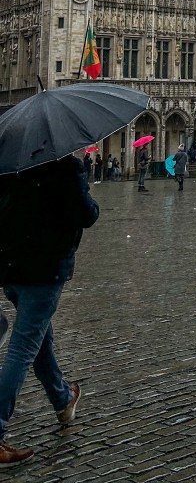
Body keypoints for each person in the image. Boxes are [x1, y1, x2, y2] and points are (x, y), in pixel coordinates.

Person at [0, 154, 99, 467]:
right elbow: (86, 215)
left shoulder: (9, 164)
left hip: (11, 269)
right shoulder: (66, 167)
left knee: (39, 338)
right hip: (44, 272)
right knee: (22, 350)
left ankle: (62, 397)